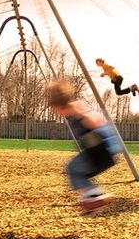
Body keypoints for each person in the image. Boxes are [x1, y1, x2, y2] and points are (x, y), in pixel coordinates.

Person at [46, 80, 122, 216]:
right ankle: (91, 204)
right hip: (105, 151)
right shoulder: (77, 107)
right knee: (80, 173)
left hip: (102, 151)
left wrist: (85, 117)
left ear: (58, 106)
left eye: (53, 108)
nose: (53, 111)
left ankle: (93, 196)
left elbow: (95, 120)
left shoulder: (75, 110)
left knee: (72, 168)